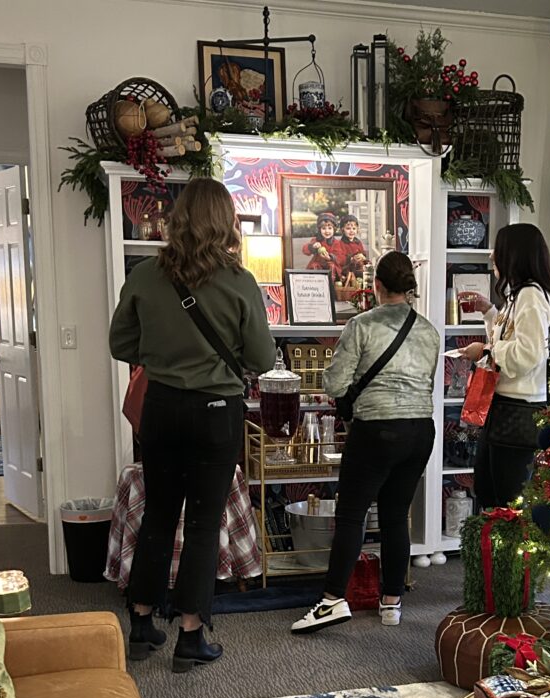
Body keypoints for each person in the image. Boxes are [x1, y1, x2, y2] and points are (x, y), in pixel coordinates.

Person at [109, 178, 276, 672]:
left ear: (178, 218)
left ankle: (140, 624)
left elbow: (122, 345)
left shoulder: (144, 275)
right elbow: (262, 358)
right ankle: (190, 637)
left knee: (159, 515)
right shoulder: (239, 281)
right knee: (203, 524)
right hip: (216, 413)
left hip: (161, 407)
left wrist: (164, 356)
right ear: (226, 222)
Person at [292, 251, 439, 634]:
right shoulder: (429, 331)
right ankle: (391, 602)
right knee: (395, 516)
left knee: (352, 514)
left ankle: (331, 600)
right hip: (420, 430)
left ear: (376, 286)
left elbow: (335, 384)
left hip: (375, 429)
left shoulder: (361, 325)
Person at [459, 223, 550, 510]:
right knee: (490, 492)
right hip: (506, 407)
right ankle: (489, 553)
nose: (493, 259)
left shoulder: (531, 295)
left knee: (505, 502)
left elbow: (528, 355)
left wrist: (487, 350)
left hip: (519, 411)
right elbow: (511, 338)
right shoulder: (520, 294)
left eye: (497, 252)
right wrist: (489, 311)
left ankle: (496, 554)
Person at [302, 211, 342, 279]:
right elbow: (305, 250)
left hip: (330, 265)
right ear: (319, 229)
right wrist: (313, 246)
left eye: (330, 228)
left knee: (331, 266)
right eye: (323, 228)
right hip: (318, 265)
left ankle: (331, 283)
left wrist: (330, 258)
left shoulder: (336, 242)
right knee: (314, 265)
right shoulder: (316, 240)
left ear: (334, 229)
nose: (327, 231)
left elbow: (339, 256)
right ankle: (316, 282)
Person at [335, 214, 368, 284]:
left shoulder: (358, 242)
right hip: (348, 269)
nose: (351, 231)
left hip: (359, 267)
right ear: (342, 230)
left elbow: (363, 254)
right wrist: (351, 259)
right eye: (348, 228)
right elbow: (341, 260)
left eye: (354, 228)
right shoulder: (340, 243)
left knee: (366, 272)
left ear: (357, 230)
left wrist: (363, 257)